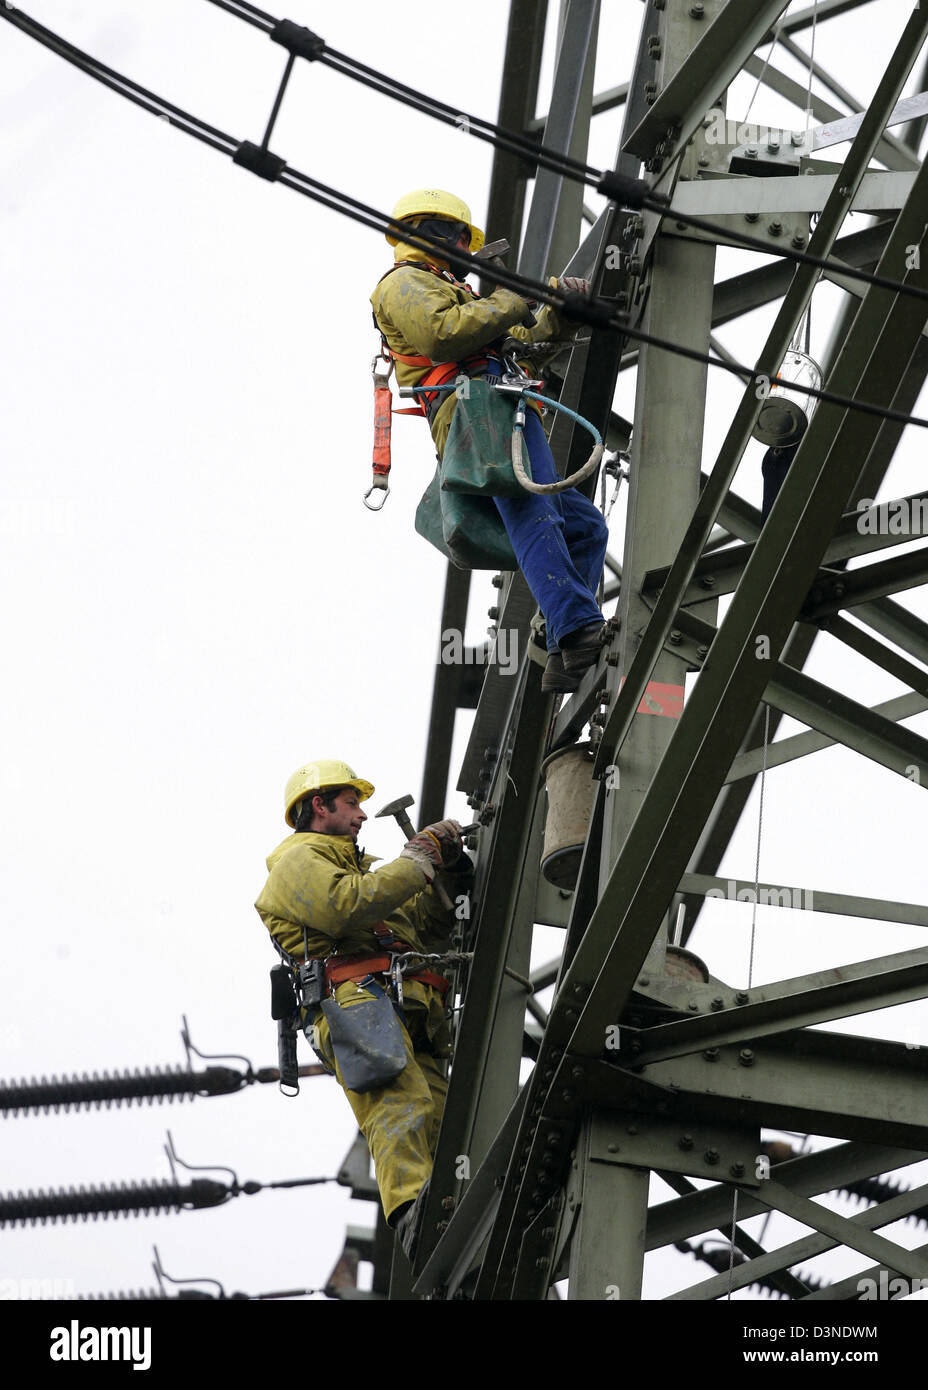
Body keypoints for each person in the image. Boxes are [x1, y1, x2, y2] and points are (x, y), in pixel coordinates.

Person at [371, 187, 610, 693]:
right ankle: (576, 629)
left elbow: (523, 351)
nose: (464, 246)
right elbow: (442, 335)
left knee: (584, 527)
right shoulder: (405, 284)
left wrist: (558, 317)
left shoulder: (461, 292)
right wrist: (515, 299)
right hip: (478, 413)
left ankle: (560, 643)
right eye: (458, 236)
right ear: (430, 233)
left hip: (501, 402)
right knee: (534, 510)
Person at [254, 758, 471, 1259]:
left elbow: (428, 929)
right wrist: (417, 859)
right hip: (355, 1006)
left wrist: (449, 870)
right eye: (352, 804)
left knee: (442, 1120)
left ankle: (453, 1218)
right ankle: (415, 1214)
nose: (361, 815)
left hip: (411, 1007)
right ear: (319, 806)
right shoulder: (297, 860)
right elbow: (345, 905)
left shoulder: (369, 868)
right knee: (401, 1105)